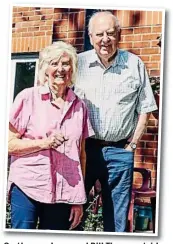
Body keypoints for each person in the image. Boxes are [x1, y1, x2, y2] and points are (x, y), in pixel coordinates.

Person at [75, 11, 158, 232]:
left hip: (120, 151)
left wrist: (132, 146)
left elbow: (146, 108)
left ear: (119, 34)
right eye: (100, 34)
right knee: (73, 213)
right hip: (83, 151)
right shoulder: (78, 64)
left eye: (111, 33)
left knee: (117, 221)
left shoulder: (134, 64)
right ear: (91, 36)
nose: (105, 39)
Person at [8, 41, 94, 230]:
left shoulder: (80, 106)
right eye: (54, 63)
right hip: (28, 185)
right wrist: (44, 143)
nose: (60, 69)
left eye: (65, 63)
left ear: (72, 69)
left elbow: (81, 156)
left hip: (65, 191)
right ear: (45, 69)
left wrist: (79, 200)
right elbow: (8, 144)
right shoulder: (27, 97)